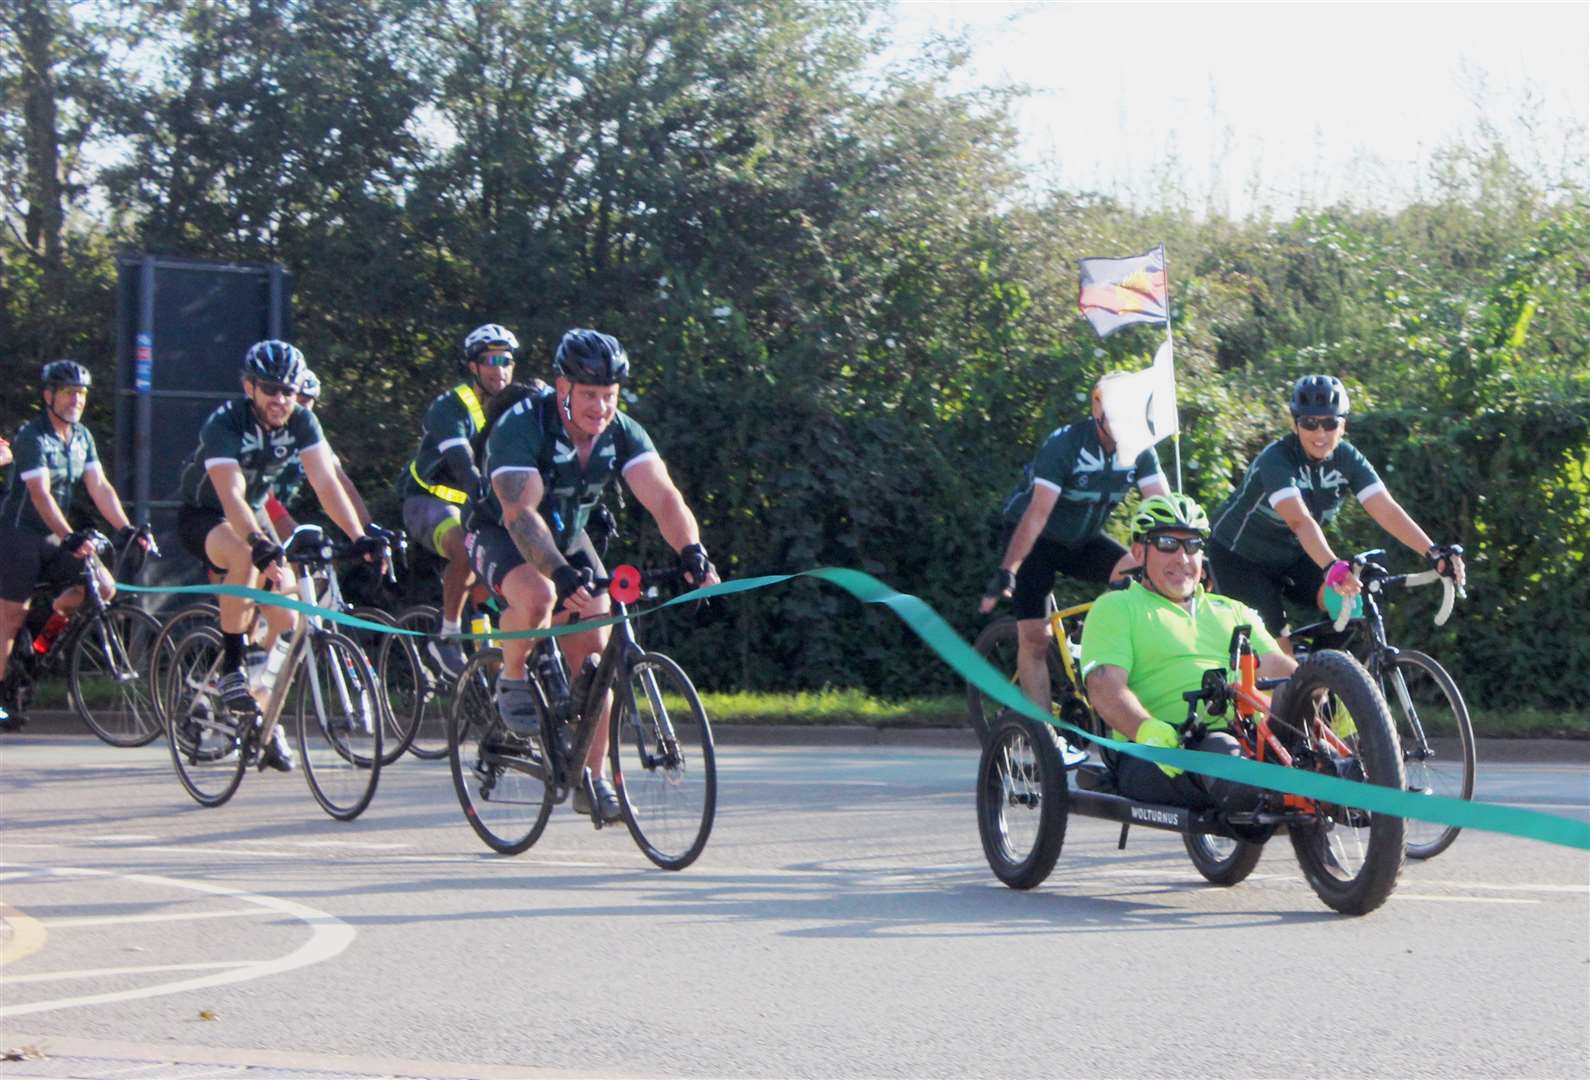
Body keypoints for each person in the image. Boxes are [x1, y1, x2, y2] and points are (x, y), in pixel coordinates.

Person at [465, 328, 720, 822]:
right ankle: (512, 678)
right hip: (500, 530)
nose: (600, 408)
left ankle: (594, 778)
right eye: (589, 396)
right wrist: (560, 573)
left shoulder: (622, 431)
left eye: (608, 396)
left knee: (599, 658)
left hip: (568, 534)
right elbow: (520, 515)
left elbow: (664, 497)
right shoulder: (523, 426)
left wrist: (692, 552)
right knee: (538, 596)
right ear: (563, 389)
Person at [174, 341, 385, 770]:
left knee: (288, 620)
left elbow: (327, 484)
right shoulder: (226, 423)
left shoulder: (302, 422)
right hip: (206, 513)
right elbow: (231, 495)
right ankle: (232, 666)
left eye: (287, 391)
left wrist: (359, 535)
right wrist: (258, 544)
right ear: (249, 387)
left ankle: (263, 720)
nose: (280, 399)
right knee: (243, 557)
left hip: (249, 514)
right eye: (270, 389)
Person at [1208, 375, 1465, 653]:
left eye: (1330, 423)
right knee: (1278, 656)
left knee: (1351, 604)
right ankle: (1291, 682)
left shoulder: (1347, 458)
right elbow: (1299, 521)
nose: (1320, 434)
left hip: (1293, 555)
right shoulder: (1277, 459)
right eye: (1310, 423)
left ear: (1343, 425)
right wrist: (1333, 566)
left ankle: (1318, 678)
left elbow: (1385, 508)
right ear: (1295, 424)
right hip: (1239, 557)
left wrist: (1433, 552)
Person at [1080, 494, 1297, 813]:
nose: (1182, 557)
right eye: (1168, 543)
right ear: (1139, 552)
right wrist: (1145, 728)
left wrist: (1323, 690)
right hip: (1158, 751)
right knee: (1227, 758)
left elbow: (1279, 666)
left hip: (1247, 737)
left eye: (1193, 545)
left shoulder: (1232, 610)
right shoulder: (1117, 607)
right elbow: (1104, 687)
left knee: (1318, 755)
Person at [978, 373, 1172, 726]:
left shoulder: (1140, 448)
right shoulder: (1065, 445)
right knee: (1035, 638)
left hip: (1082, 541)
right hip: (1034, 540)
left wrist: (1183, 560)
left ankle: (1096, 659)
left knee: (1146, 584)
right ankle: (1041, 738)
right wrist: (1008, 570)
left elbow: (1164, 509)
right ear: (1098, 411)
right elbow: (1037, 514)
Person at [0, 361, 151, 732]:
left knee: (102, 586)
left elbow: (99, 487)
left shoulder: (82, 436)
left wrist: (128, 527)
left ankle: (36, 649)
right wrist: (72, 537)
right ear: (49, 396)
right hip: (19, 534)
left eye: (82, 393)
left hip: (53, 536)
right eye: (69, 392)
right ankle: (3, 694)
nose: (77, 400)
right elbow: (40, 495)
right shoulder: (32, 436)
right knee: (10, 616)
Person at [397, 324, 520, 678]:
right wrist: (477, 484)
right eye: (490, 361)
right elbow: (461, 460)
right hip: (428, 501)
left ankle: (489, 653)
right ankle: (447, 636)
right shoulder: (449, 406)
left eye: (506, 360)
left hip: (476, 508)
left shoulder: (515, 406)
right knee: (465, 549)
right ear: (473, 366)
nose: (499, 369)